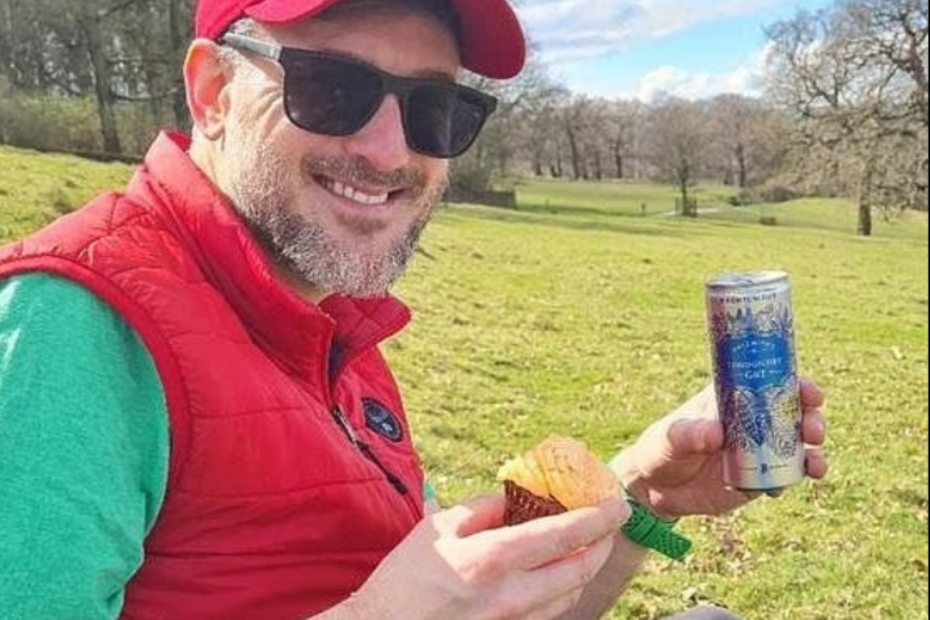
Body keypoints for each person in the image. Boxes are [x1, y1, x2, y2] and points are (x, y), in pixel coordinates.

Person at [0, 0, 828, 618]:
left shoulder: (328, 320)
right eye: (332, 89)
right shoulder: (75, 322)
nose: (388, 151)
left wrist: (640, 494)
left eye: (435, 110)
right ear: (214, 91)